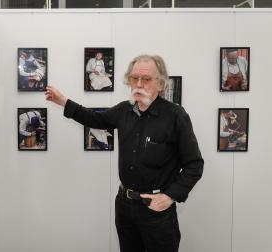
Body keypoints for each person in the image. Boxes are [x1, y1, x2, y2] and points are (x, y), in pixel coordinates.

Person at [45, 54, 204, 252]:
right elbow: (95, 119)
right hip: (125, 206)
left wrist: (170, 196)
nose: (138, 84)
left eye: (146, 79)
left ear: (161, 83)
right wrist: (63, 102)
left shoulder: (176, 116)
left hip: (157, 211)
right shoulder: (124, 110)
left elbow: (194, 165)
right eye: (134, 78)